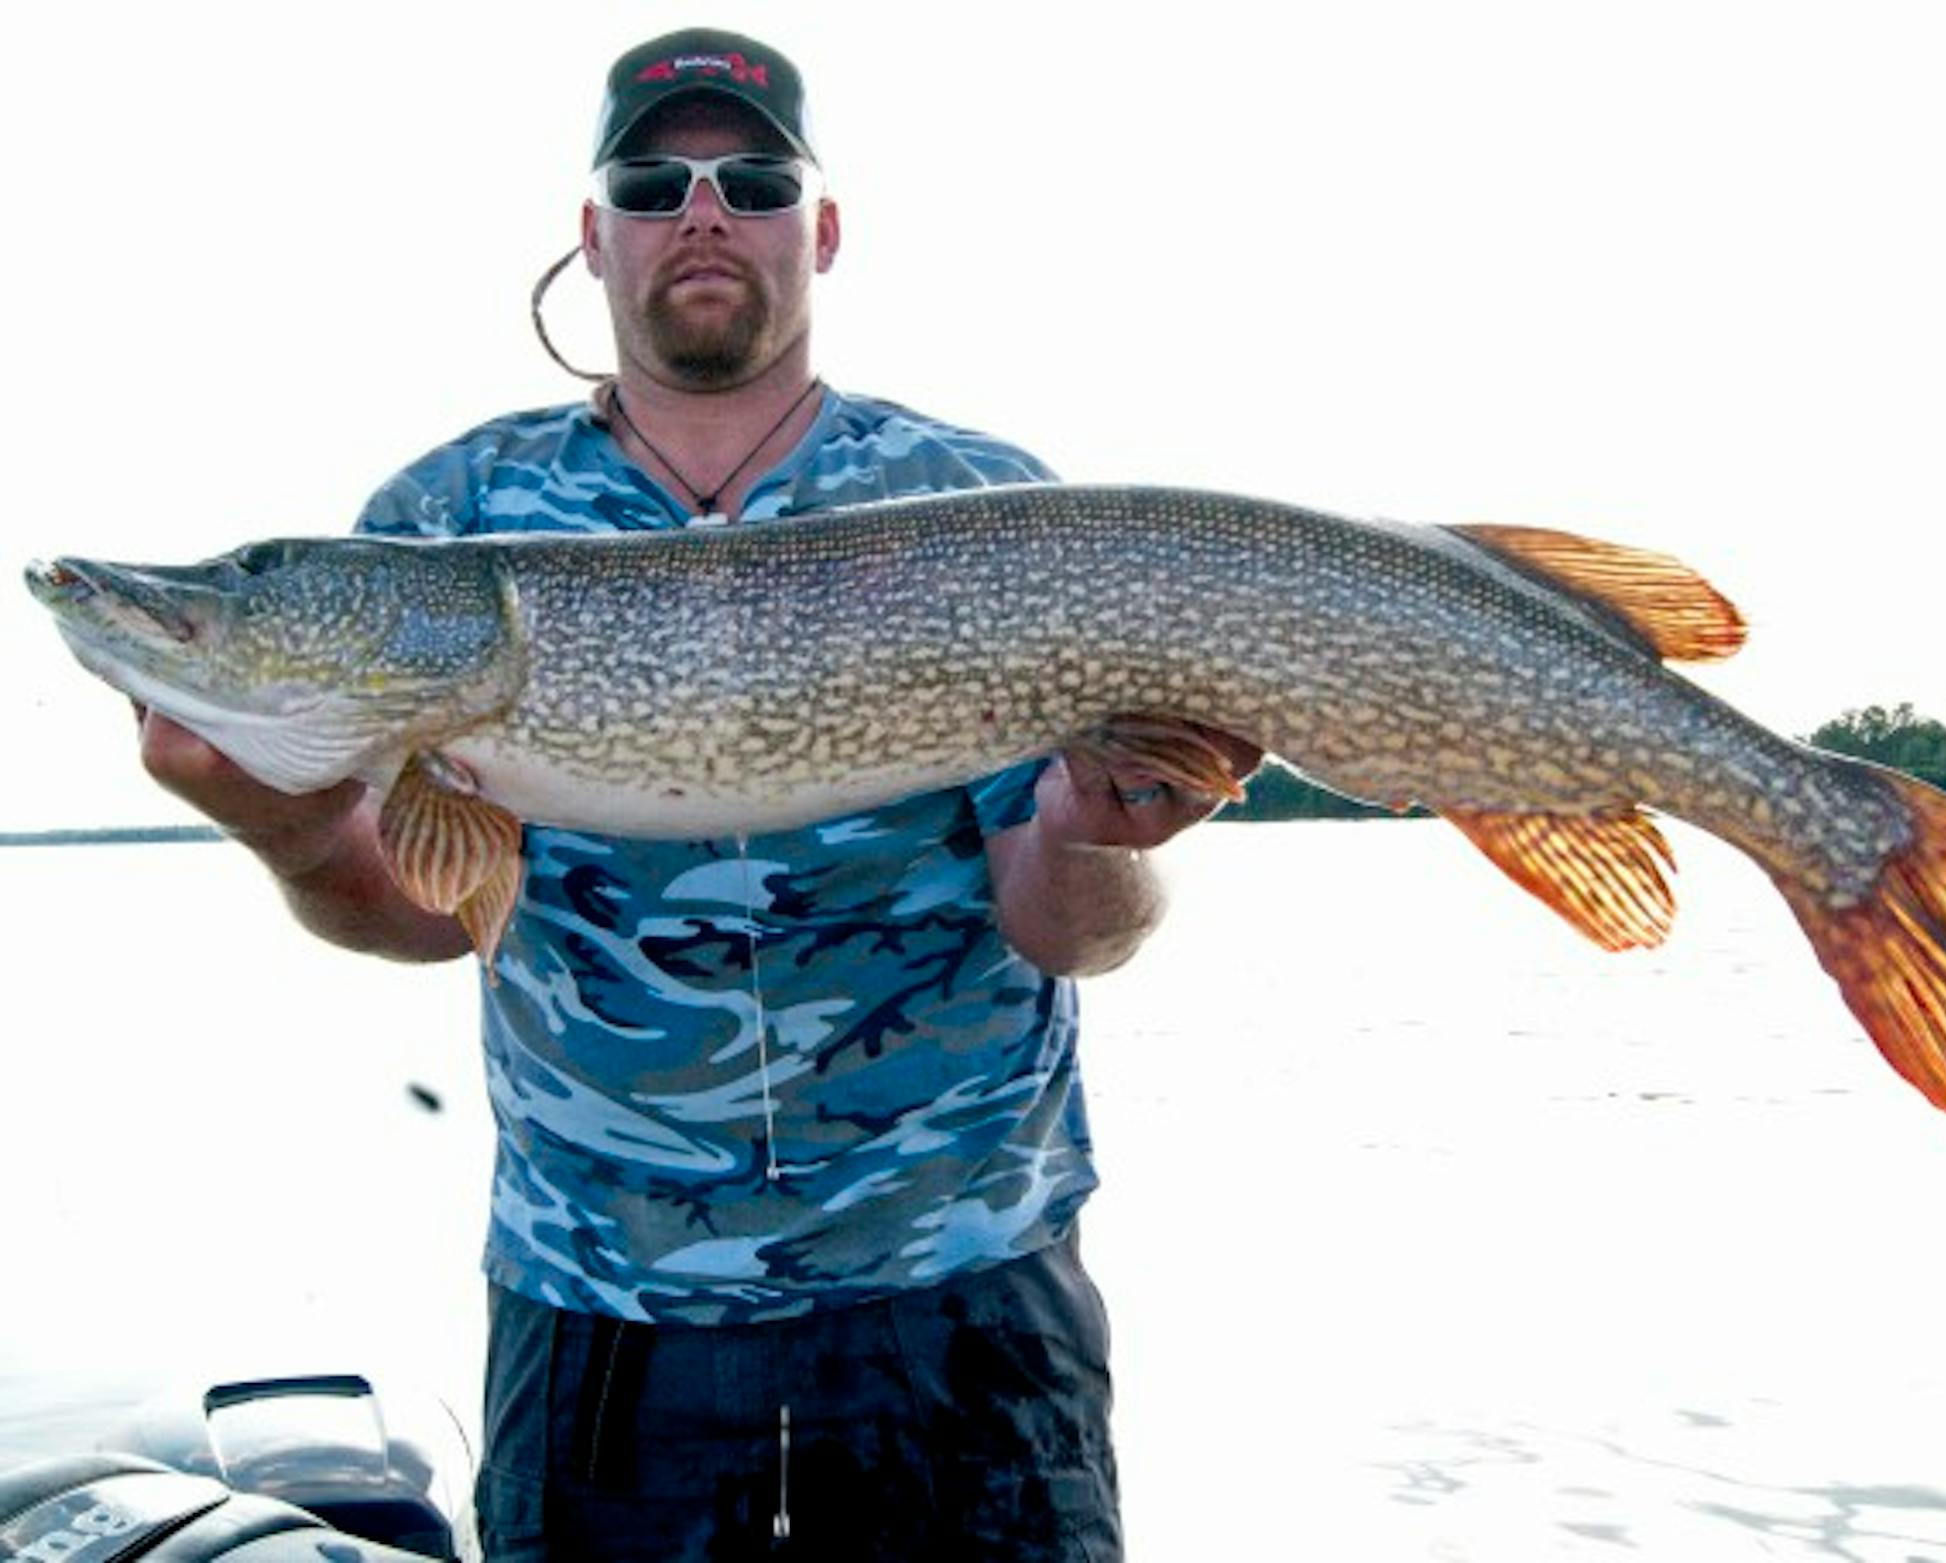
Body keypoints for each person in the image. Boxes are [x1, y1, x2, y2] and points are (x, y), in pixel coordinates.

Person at [136, 26, 1257, 1562]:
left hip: (967, 1301)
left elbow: (1077, 931)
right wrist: (288, 824)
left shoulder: (979, 508)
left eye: (756, 179)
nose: (704, 211)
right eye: (655, 182)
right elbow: (425, 917)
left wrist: (1091, 831)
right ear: (594, 237)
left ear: (824, 228)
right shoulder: (451, 526)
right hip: (606, 1309)